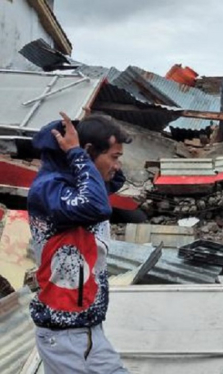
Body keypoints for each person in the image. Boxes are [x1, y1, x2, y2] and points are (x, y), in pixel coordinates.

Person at [28, 112, 131, 374]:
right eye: (114, 157)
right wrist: (77, 154)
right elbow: (97, 206)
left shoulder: (82, 182)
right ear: (87, 152)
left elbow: (114, 180)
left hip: (89, 330)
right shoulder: (50, 189)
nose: (117, 166)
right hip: (63, 335)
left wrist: (83, 157)